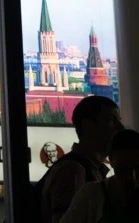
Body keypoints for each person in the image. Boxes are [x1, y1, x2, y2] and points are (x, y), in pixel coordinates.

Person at [38, 95, 123, 223]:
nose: (121, 127)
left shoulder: (85, 169)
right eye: (111, 120)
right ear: (88, 126)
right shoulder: (73, 171)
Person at [60, 129, 139, 223]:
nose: (131, 177)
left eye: (138, 168)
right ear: (110, 161)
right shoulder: (89, 196)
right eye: (123, 169)